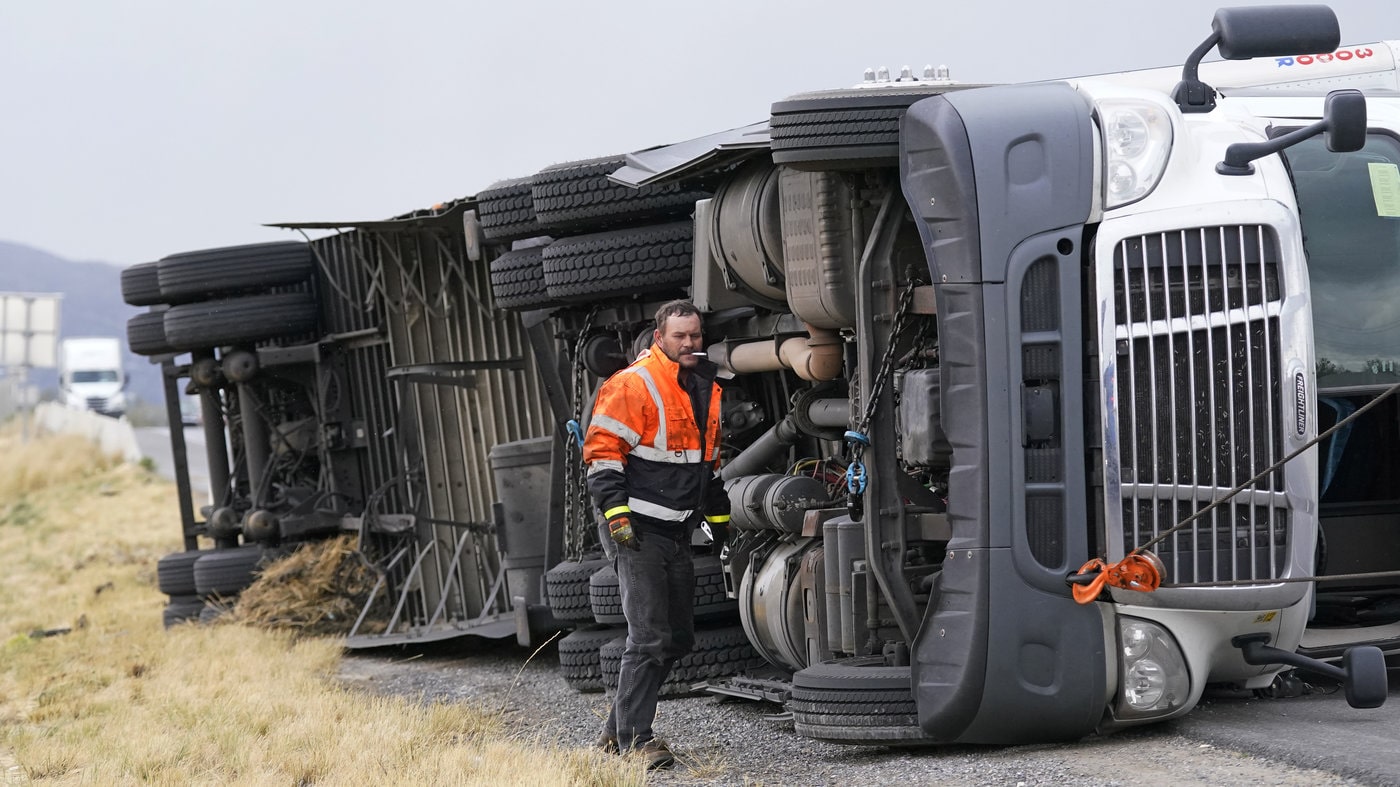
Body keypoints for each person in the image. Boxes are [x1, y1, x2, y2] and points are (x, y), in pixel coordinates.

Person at [582, 299, 730, 769]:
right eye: (680, 336)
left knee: (678, 638)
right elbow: (602, 454)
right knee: (647, 637)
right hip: (635, 529)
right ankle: (635, 741)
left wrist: (720, 520)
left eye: (696, 336)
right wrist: (616, 515)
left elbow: (707, 464)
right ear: (658, 337)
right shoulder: (633, 384)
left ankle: (613, 734)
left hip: (676, 530)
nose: (689, 344)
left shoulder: (706, 387)